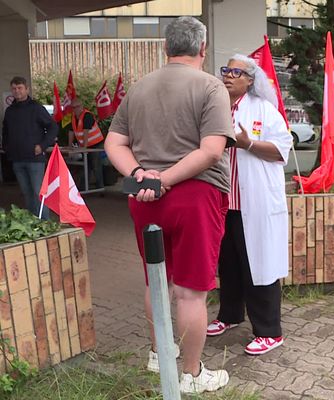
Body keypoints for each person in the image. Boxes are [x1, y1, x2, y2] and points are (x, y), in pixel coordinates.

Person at [105, 16, 235, 394]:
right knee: (192, 290)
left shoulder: (140, 87)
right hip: (195, 196)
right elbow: (212, 150)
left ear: (166, 48)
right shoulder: (211, 87)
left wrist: (141, 174)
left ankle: (159, 354)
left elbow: (114, 142)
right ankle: (192, 374)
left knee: (156, 279)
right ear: (203, 48)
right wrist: (166, 179)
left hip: (145, 198)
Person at [206, 55, 292, 355]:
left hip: (255, 204)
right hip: (224, 201)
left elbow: (282, 149)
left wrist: (248, 144)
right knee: (228, 263)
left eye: (236, 72)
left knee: (260, 264)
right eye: (225, 70)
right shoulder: (217, 108)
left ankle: (269, 331)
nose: (228, 75)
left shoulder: (265, 111)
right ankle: (229, 316)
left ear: (251, 79)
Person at [1, 76, 57, 219]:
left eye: (20, 88)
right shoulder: (10, 111)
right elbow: (5, 132)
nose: (17, 91)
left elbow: (52, 127)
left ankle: (46, 224)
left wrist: (42, 146)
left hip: (35, 159)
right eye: (14, 88)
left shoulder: (36, 108)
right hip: (17, 160)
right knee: (26, 193)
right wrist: (7, 148)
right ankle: (34, 224)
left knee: (38, 192)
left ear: (27, 89)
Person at [67, 98, 104, 189]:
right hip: (86, 146)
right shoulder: (73, 118)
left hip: (96, 144)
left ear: (81, 107)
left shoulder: (87, 115)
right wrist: (69, 146)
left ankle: (100, 187)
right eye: (73, 107)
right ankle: (84, 188)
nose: (75, 109)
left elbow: (86, 132)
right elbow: (71, 132)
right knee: (86, 166)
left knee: (95, 165)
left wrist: (85, 147)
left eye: (77, 107)